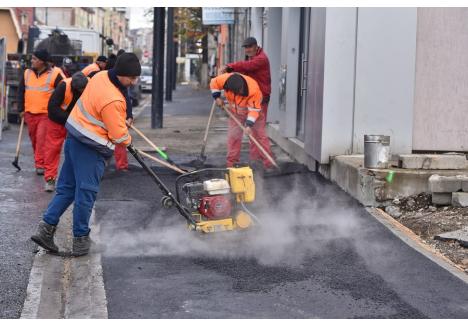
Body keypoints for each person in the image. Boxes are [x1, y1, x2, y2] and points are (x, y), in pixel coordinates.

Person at [30, 53, 141, 256]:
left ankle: (45, 230)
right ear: (123, 74)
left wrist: (121, 118)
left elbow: (106, 109)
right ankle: (81, 240)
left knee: (66, 189)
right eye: (132, 78)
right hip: (91, 147)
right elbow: (118, 136)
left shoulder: (101, 76)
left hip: (73, 139)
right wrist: (127, 139)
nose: (133, 82)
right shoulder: (112, 99)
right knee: (86, 193)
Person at [221, 37, 271, 166]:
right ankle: (232, 163)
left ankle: (263, 163)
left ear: (256, 46)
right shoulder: (252, 58)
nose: (247, 50)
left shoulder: (261, 59)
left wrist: (230, 66)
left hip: (259, 101)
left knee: (257, 133)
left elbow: (248, 66)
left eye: (249, 47)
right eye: (246, 48)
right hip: (245, 100)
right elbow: (244, 69)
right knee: (235, 133)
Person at [210, 72, 275, 171]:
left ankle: (266, 164)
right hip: (236, 112)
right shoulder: (225, 79)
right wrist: (217, 97)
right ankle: (231, 164)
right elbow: (213, 83)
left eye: (240, 91)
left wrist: (249, 125)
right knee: (234, 137)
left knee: (259, 136)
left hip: (255, 111)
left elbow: (253, 111)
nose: (239, 93)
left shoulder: (254, 90)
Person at [18, 49, 63, 175]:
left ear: (42, 61)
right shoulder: (27, 73)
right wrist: (21, 109)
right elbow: (21, 91)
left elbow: (64, 90)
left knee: (41, 140)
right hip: (29, 113)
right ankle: (40, 160)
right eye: (32, 58)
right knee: (34, 140)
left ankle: (40, 165)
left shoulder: (54, 74)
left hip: (45, 114)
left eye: (34, 59)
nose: (31, 61)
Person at [43, 72, 89, 192]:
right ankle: (50, 179)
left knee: (76, 150)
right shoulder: (63, 86)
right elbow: (52, 108)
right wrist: (71, 118)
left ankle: (76, 180)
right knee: (52, 150)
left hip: (76, 124)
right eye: (80, 89)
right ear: (75, 87)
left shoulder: (90, 86)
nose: (82, 91)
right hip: (58, 121)